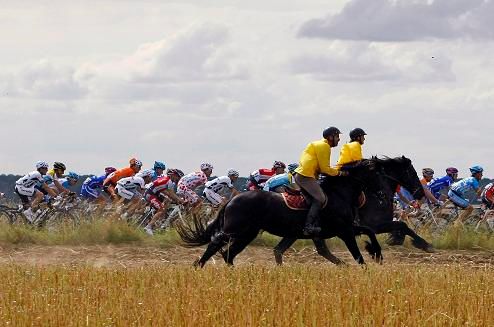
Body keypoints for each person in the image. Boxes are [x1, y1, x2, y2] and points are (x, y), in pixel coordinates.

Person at [294, 127, 348, 235]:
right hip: (306, 176)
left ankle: (311, 222)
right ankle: (308, 227)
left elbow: (321, 168)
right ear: (330, 137)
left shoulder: (319, 144)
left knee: (311, 200)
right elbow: (325, 169)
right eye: (337, 136)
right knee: (320, 198)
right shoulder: (325, 146)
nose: (339, 139)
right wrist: (341, 173)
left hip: (302, 175)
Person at [143, 169, 185, 235]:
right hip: (150, 194)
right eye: (179, 178)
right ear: (174, 175)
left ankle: (159, 222)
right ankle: (148, 227)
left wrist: (175, 199)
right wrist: (179, 200)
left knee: (167, 201)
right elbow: (170, 194)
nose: (179, 180)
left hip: (155, 193)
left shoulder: (168, 180)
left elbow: (167, 192)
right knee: (161, 209)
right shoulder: (169, 181)